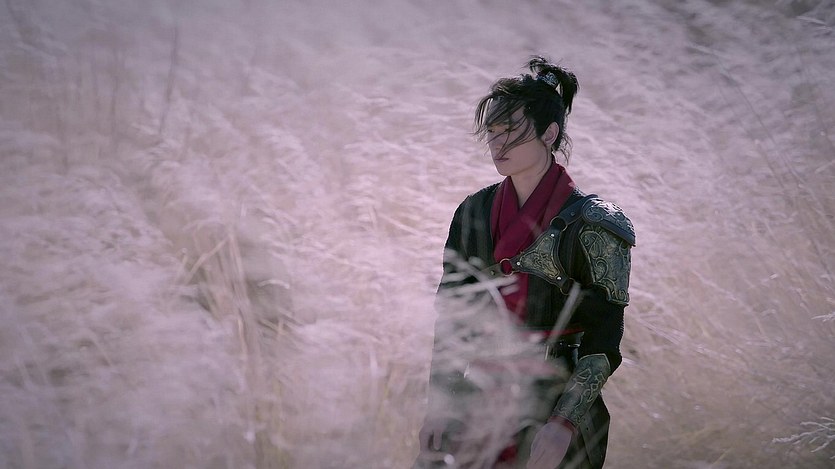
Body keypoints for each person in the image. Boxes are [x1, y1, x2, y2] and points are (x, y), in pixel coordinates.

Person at [415, 56, 634, 469]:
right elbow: (453, 322)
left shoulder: (594, 223)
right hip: (478, 401)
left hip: (555, 402)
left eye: (512, 132)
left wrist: (563, 423)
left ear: (549, 133)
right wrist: (440, 406)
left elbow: (604, 340)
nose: (498, 145)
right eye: (493, 132)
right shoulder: (473, 211)